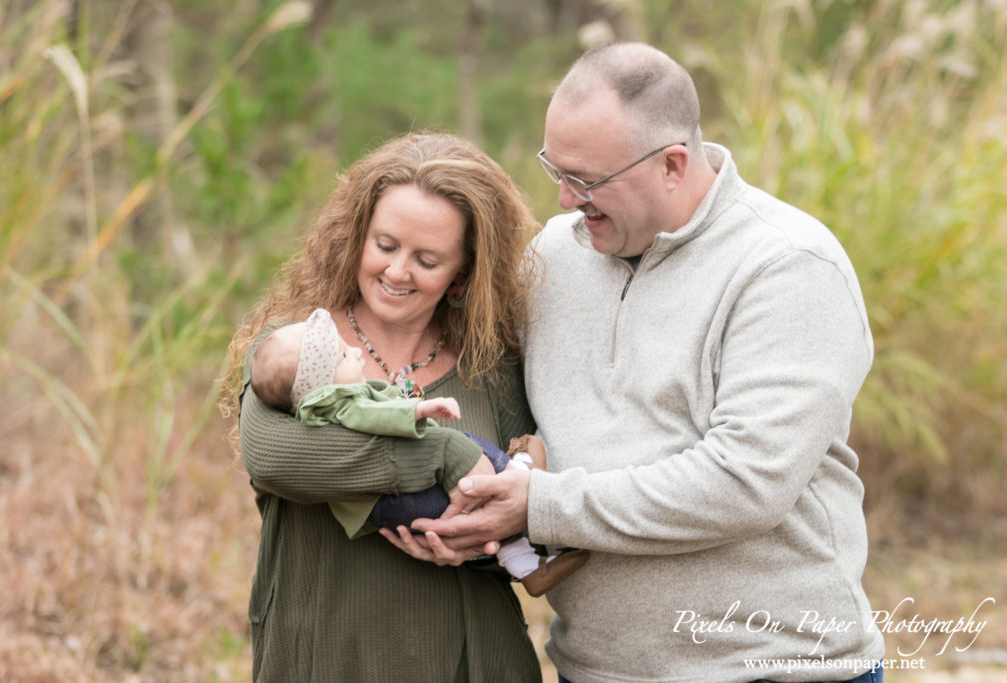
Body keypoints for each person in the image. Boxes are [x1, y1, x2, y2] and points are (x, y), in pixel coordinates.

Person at [410, 43, 885, 682]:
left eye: (587, 179)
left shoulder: (788, 267)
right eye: (556, 168)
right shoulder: (554, 254)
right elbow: (473, 384)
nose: (563, 199)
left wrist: (539, 506)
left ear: (672, 164)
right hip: (595, 668)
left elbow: (745, 482)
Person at [220, 132, 547, 681]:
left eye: (427, 258)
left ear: (461, 275)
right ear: (357, 238)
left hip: (471, 658)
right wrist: (440, 453)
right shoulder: (294, 349)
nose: (397, 272)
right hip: (320, 652)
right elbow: (273, 458)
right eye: (386, 245)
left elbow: (530, 494)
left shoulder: (492, 366)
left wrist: (478, 534)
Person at [248, 307, 590, 596]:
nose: (354, 351)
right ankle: (520, 474)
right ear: (323, 389)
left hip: (390, 512)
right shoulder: (342, 403)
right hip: (397, 504)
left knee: (480, 520)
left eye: (428, 260)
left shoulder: (319, 407)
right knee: (466, 447)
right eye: (342, 355)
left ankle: (528, 563)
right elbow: (373, 416)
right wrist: (418, 413)